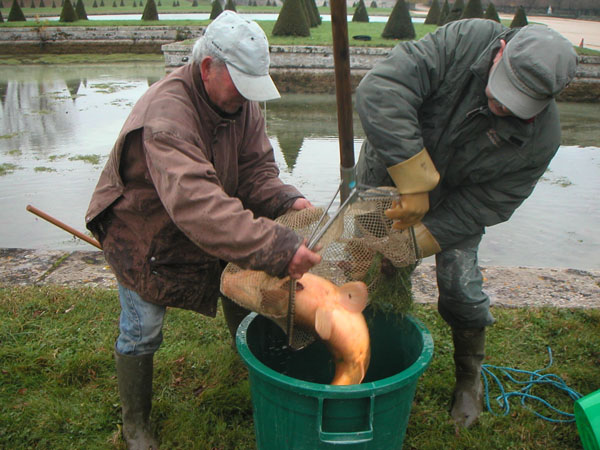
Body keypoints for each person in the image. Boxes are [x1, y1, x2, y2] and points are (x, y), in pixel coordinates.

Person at [85, 11, 321, 449]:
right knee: (144, 329)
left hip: (214, 222)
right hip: (144, 233)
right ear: (208, 67)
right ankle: (135, 423)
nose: (248, 97)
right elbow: (197, 204)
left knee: (241, 289)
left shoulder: (240, 102)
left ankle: (249, 366)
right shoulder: (167, 115)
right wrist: (276, 244)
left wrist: (287, 200)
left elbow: (256, 170)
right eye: (240, 83)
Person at [354, 19, 577, 428]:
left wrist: (422, 238)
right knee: (370, 269)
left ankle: (469, 377)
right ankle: (364, 353)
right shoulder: (463, 40)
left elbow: (490, 202)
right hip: (387, 175)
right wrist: (413, 177)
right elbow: (381, 89)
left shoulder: (542, 140)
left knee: (461, 289)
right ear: (500, 51)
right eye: (506, 89)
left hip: (456, 204)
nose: (505, 107)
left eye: (522, 103)